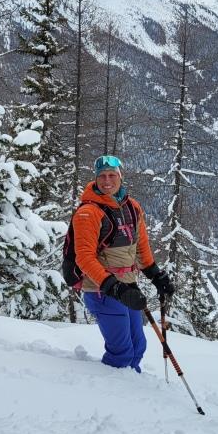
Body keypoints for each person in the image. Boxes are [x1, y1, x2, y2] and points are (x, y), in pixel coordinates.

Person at [73, 155, 175, 372]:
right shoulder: (88, 212)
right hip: (102, 290)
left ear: (120, 177)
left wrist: (156, 275)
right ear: (95, 178)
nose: (107, 181)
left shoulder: (132, 207)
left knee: (138, 347)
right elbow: (84, 257)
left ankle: (132, 386)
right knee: (122, 352)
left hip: (127, 285)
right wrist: (114, 288)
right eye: (102, 176)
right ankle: (110, 391)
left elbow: (141, 247)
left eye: (112, 175)